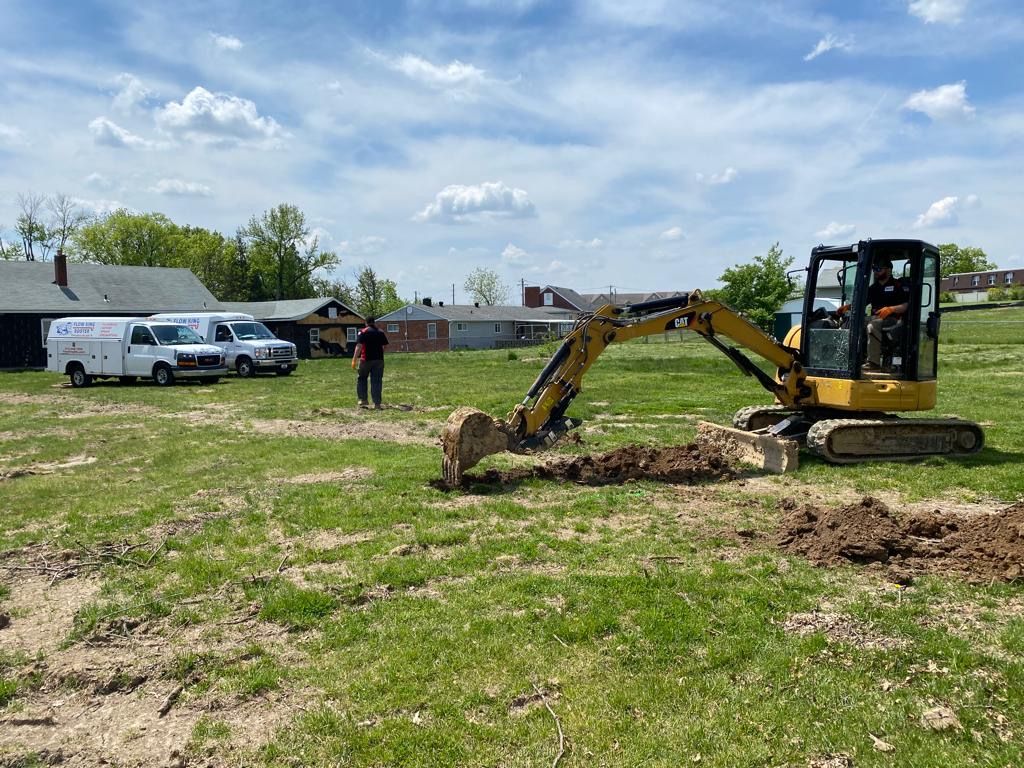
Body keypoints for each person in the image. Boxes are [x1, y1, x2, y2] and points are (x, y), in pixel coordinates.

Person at [864, 257, 910, 371]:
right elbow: (862, 302)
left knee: (872, 326)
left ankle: (873, 362)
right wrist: (848, 307)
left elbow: (906, 305)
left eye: (879, 269)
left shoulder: (897, 286)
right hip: (875, 317)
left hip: (892, 319)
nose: (875, 271)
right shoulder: (873, 288)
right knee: (851, 323)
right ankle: (857, 359)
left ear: (888, 270)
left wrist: (891, 309)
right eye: (874, 269)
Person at [352, 317, 388, 409]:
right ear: (374, 322)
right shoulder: (380, 332)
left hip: (365, 359)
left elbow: (359, 346)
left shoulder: (363, 332)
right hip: (379, 360)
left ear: (366, 323)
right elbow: (384, 345)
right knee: (376, 381)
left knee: (362, 379)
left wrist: (354, 359)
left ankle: (363, 400)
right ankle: (377, 404)